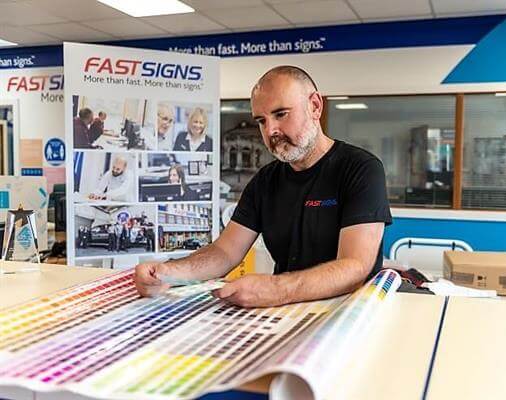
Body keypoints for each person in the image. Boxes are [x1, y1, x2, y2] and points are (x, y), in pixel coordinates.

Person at [134, 65, 391, 308]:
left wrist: (276, 289)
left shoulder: (360, 168)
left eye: (281, 114)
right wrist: (170, 271)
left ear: (314, 106)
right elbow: (225, 252)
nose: (271, 131)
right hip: (283, 313)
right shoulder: (265, 181)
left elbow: (356, 266)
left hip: (348, 315)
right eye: (261, 121)